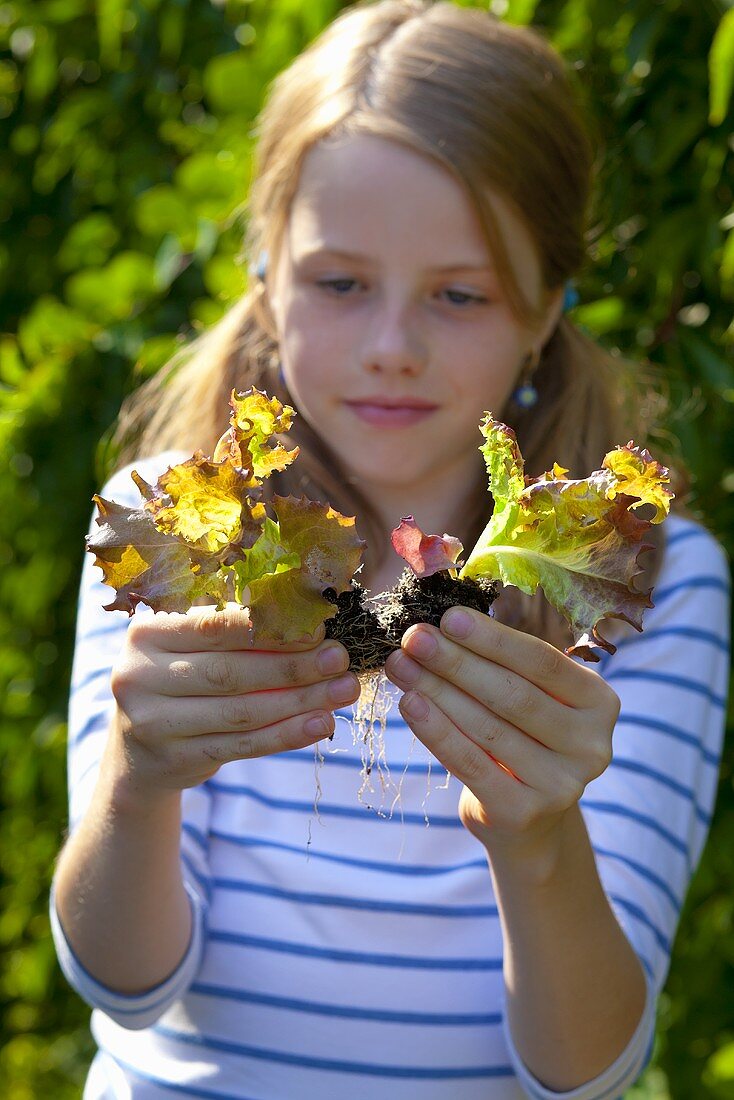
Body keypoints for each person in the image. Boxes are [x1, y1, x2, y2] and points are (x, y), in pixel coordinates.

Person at [51, 2, 731, 1097]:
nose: (390, 349)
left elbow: (586, 1067)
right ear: (264, 275)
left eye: (458, 295)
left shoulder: (644, 573)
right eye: (338, 282)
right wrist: (138, 777)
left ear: (544, 309)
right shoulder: (173, 522)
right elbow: (124, 984)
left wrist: (537, 832)